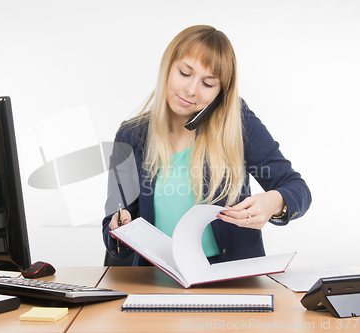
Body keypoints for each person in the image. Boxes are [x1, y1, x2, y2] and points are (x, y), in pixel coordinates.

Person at [102, 25, 311, 266]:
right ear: (168, 67)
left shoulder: (237, 122)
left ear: (221, 93)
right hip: (155, 280)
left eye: (208, 84)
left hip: (230, 279)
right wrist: (118, 228)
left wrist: (273, 202)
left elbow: (297, 188)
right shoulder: (130, 135)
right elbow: (113, 231)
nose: (190, 90)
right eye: (184, 73)